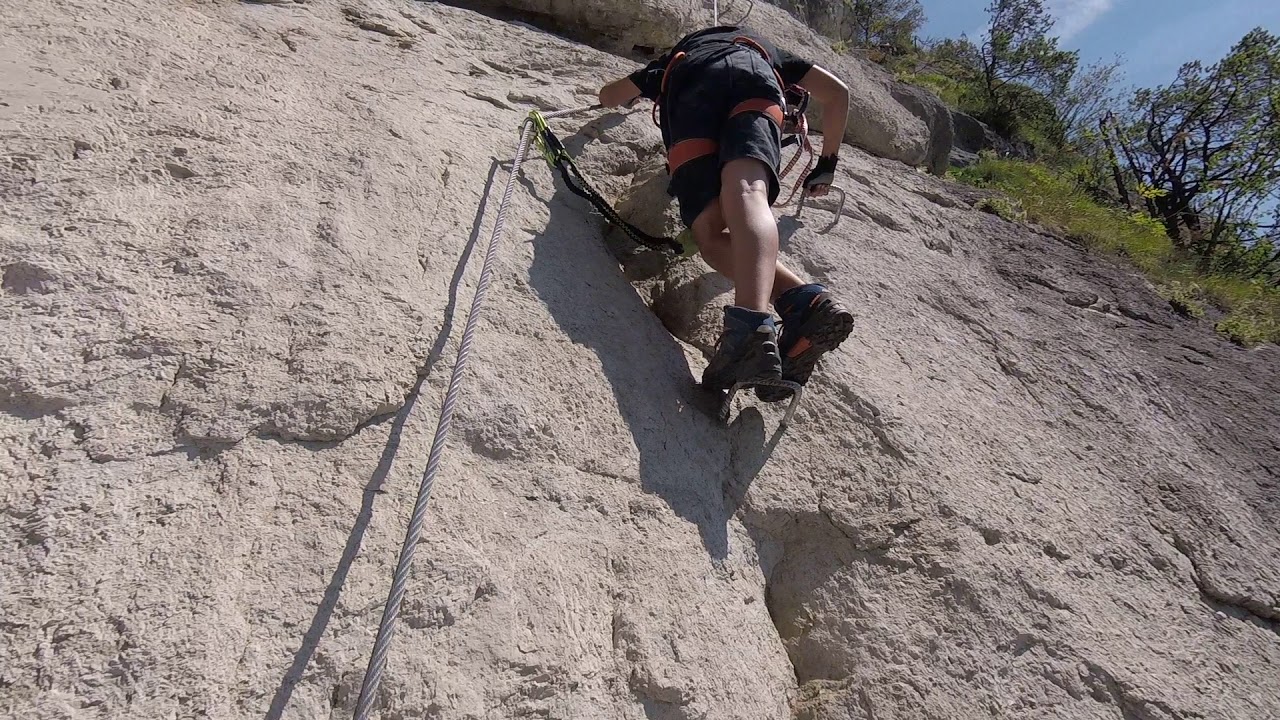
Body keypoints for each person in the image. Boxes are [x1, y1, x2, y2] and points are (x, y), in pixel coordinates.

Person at [597, 26, 855, 402]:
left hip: (692, 84)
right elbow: (839, 95)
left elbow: (609, 96)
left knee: (711, 233)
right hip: (759, 83)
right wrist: (827, 163)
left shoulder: (673, 61)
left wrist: (622, 94)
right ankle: (803, 303)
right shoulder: (768, 51)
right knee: (749, 191)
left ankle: (752, 330)